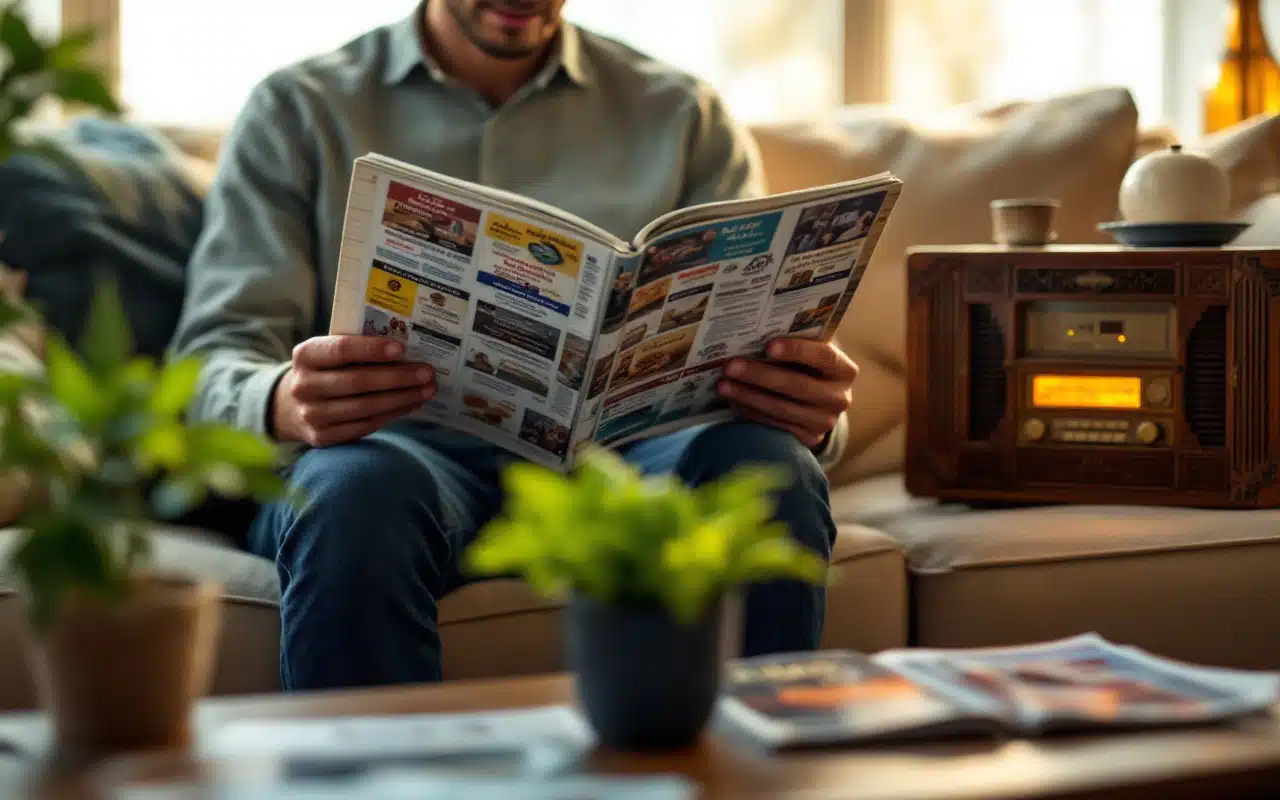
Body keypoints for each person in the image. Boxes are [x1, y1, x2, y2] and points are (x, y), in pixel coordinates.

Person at [170, 0, 860, 691]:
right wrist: (285, 402)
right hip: (400, 458)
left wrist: (809, 409)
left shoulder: (683, 114)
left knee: (769, 469)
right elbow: (207, 367)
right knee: (353, 489)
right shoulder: (300, 108)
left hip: (624, 466)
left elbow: (764, 335)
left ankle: (763, 776)